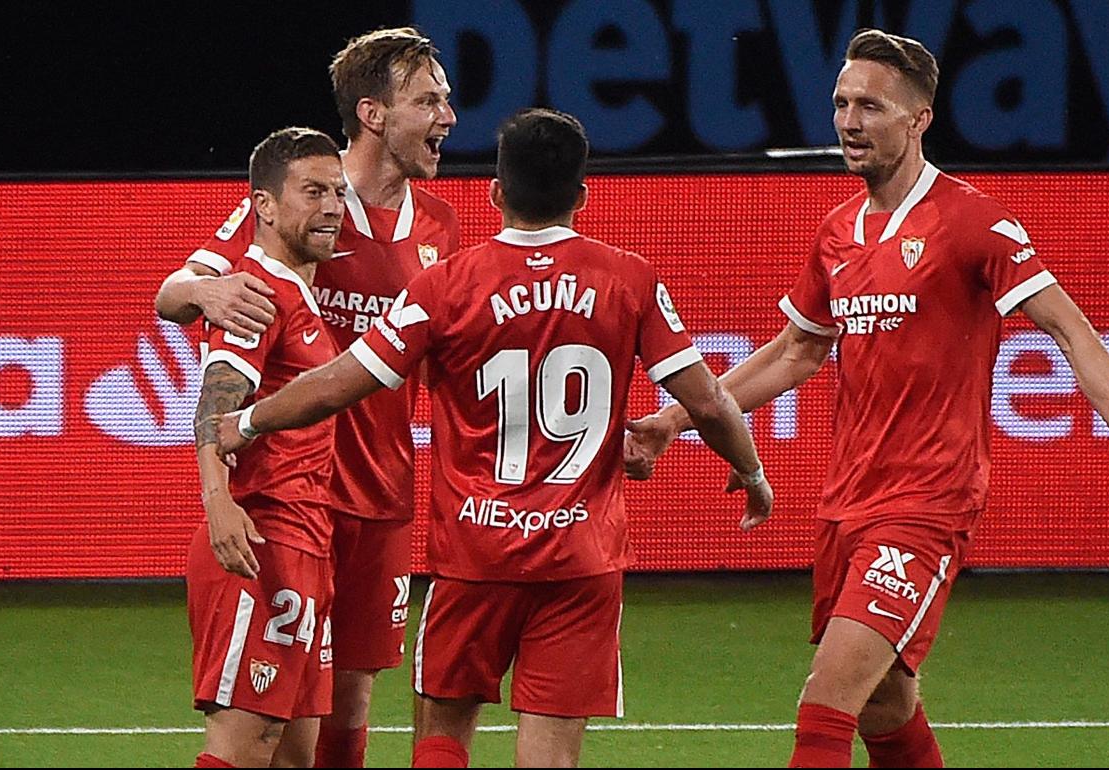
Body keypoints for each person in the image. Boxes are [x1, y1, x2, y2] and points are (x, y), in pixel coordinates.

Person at [623, 28, 1109, 769]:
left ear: (919, 120)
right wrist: (672, 419)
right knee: (886, 704)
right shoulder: (836, 232)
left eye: (872, 107)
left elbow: (1074, 336)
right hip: (847, 501)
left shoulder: (975, 221)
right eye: (842, 103)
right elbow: (796, 353)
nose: (849, 121)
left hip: (927, 503)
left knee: (826, 704)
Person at [210, 108, 774, 768]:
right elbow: (707, 401)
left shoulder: (447, 284)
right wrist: (752, 471)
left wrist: (248, 420)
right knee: (550, 754)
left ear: (496, 193)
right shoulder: (628, 279)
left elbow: (343, 381)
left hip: (476, 555)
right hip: (581, 559)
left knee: (444, 730)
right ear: (581, 196)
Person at [157, 28, 461, 768]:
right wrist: (208, 288)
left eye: (446, 98)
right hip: (294, 496)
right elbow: (173, 296)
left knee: (346, 698)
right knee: (278, 711)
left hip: (381, 492)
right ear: (375, 113)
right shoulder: (307, 207)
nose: (449, 116)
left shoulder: (441, 227)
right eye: (430, 100)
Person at [188, 127, 345, 768]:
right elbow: (217, 399)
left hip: (308, 541)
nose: (332, 206)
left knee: (295, 753)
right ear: (265, 206)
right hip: (263, 539)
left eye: (337, 191)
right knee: (244, 748)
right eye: (312, 192)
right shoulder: (256, 291)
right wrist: (218, 500)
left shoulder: (298, 291)